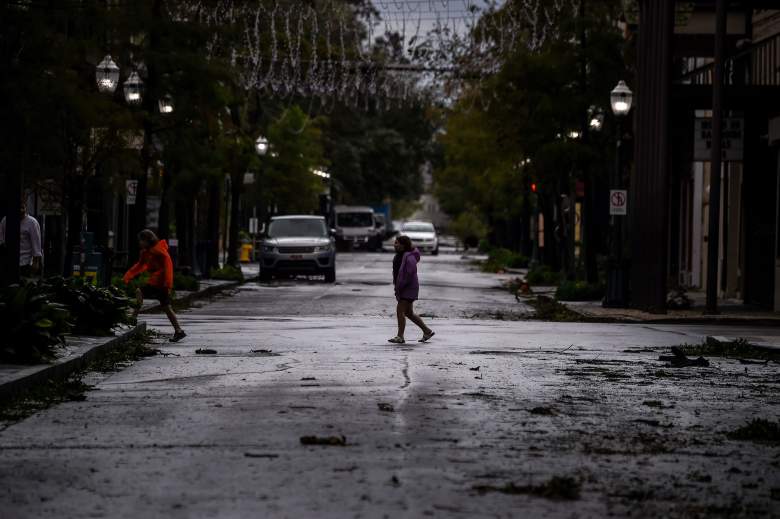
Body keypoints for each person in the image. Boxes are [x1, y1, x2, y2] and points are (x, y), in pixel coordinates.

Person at [124, 229, 186, 342]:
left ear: (148, 240)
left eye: (141, 240)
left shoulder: (158, 250)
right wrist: (129, 275)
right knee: (166, 307)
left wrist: (168, 283)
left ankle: (133, 318)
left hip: (160, 282)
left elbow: (168, 264)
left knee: (139, 291)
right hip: (158, 282)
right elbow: (140, 265)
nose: (140, 243)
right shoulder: (145, 252)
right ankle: (179, 331)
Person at [389, 235, 434, 344]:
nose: (394, 245)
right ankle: (427, 331)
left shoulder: (409, 257)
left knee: (400, 310)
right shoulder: (399, 255)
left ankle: (400, 336)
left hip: (408, 287)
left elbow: (409, 274)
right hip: (404, 287)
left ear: (403, 245)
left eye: (397, 243)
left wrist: (401, 286)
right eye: (395, 242)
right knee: (409, 312)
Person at [0, 202, 43, 278]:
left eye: (22, 208)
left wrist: (36, 262)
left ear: (26, 208)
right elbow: (1, 239)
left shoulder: (32, 222)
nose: (21, 210)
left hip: (25, 262)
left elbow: (36, 243)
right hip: (9, 261)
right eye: (19, 208)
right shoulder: (5, 220)